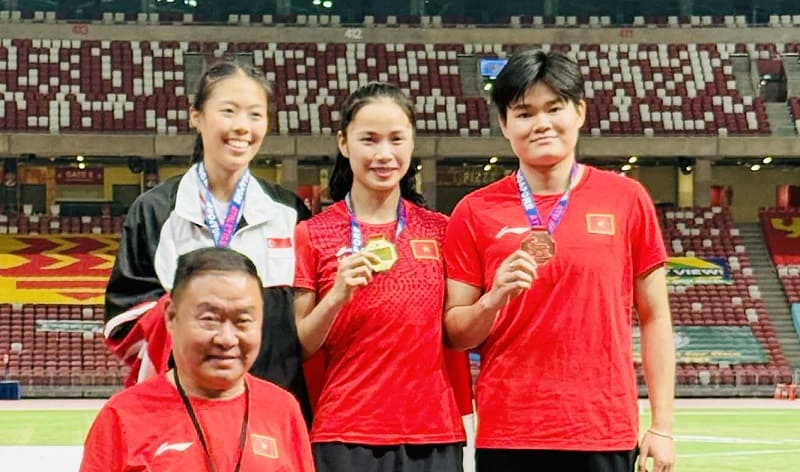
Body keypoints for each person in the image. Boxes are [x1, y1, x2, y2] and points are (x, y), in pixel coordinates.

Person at [443, 49, 676, 472]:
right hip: (510, 433)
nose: (541, 124)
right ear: (504, 124)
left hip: (602, 430)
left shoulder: (626, 199)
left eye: (554, 108)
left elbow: (655, 316)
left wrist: (662, 427)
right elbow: (456, 334)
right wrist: (493, 299)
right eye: (524, 113)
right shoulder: (474, 211)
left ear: (580, 112)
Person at [103, 60, 312, 419]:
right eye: (228, 111)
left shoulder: (290, 212)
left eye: (255, 115)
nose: (242, 126)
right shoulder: (155, 211)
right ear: (196, 116)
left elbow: (303, 322)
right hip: (179, 411)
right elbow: (122, 322)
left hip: (269, 411)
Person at [293, 82, 470, 472]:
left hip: (433, 431)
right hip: (345, 431)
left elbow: (458, 327)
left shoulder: (441, 230)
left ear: (412, 143)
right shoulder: (312, 234)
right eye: (369, 140)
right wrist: (336, 296)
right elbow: (301, 346)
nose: (384, 154)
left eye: (396, 139)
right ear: (344, 143)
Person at [81, 247, 314, 471]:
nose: (226, 339)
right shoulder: (122, 416)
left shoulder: (282, 409)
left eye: (243, 320)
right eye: (209, 319)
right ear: (172, 317)